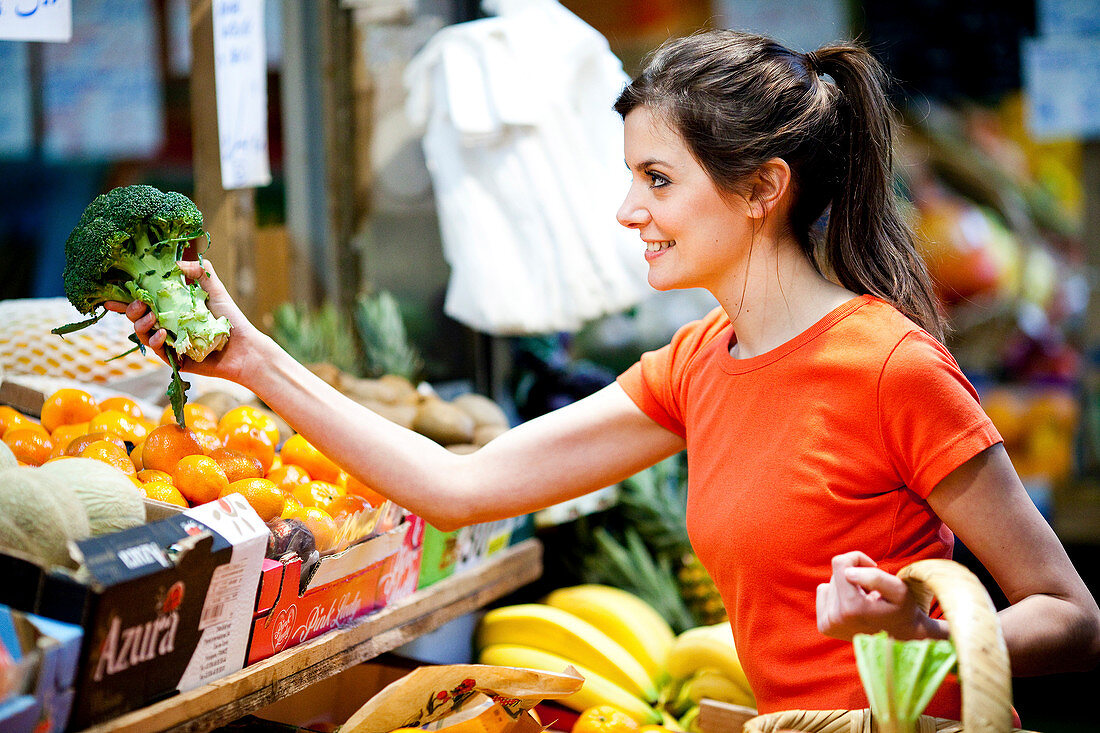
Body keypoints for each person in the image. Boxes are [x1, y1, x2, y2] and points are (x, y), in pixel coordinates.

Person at [110, 29, 1100, 721]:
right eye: (629, 176)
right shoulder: (694, 365)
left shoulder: (889, 368)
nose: (627, 209)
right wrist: (249, 359)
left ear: (762, 188)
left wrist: (914, 637)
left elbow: (1068, 615)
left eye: (656, 179)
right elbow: (459, 487)